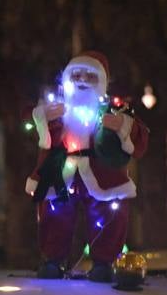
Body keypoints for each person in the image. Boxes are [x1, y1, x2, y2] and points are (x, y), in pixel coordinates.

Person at [27, 51, 150, 282]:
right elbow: (42, 133)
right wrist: (41, 117)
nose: (82, 80)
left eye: (90, 76)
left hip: (102, 175)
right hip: (63, 172)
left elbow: (140, 139)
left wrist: (123, 126)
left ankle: (104, 262)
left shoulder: (115, 111)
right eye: (77, 75)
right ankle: (52, 260)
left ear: (101, 83)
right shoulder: (57, 112)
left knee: (109, 215)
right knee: (54, 213)